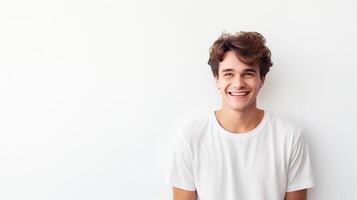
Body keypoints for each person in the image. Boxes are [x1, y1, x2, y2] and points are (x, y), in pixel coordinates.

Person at [167, 31, 315, 200]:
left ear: (262, 79)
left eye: (248, 73)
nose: (238, 83)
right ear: (216, 79)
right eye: (229, 74)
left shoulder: (290, 136)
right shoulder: (191, 136)